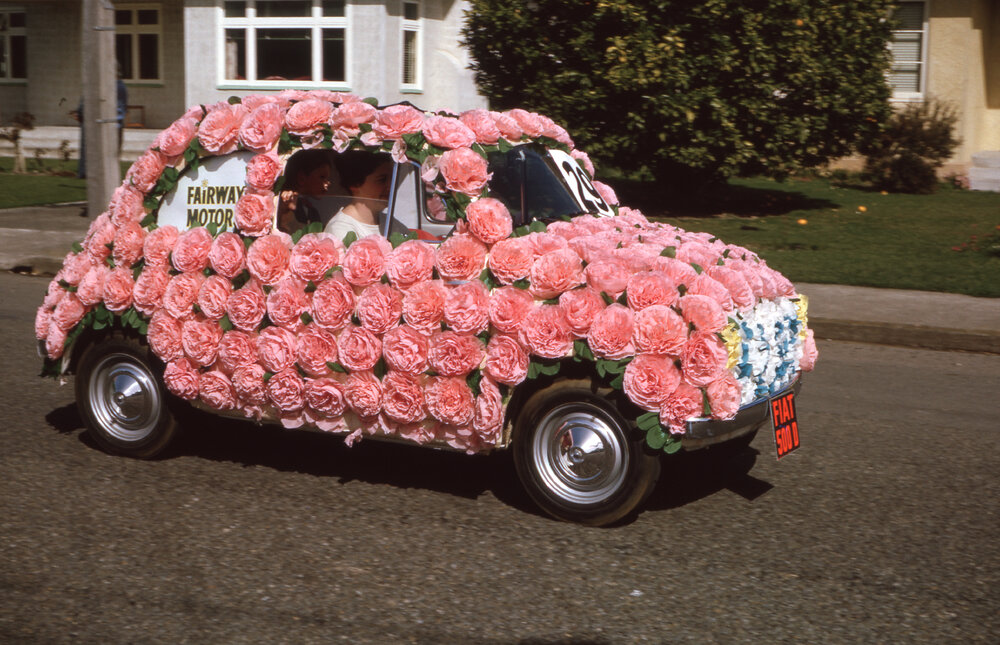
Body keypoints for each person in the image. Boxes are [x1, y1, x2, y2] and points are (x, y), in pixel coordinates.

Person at [324, 151, 395, 241]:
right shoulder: (340, 230)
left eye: (392, 178)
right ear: (355, 184)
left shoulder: (390, 223)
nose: (390, 186)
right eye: (382, 180)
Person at [277, 149, 333, 233]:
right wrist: (284, 210)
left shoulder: (312, 211)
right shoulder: (282, 204)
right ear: (302, 178)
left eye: (328, 179)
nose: (328, 183)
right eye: (322, 177)